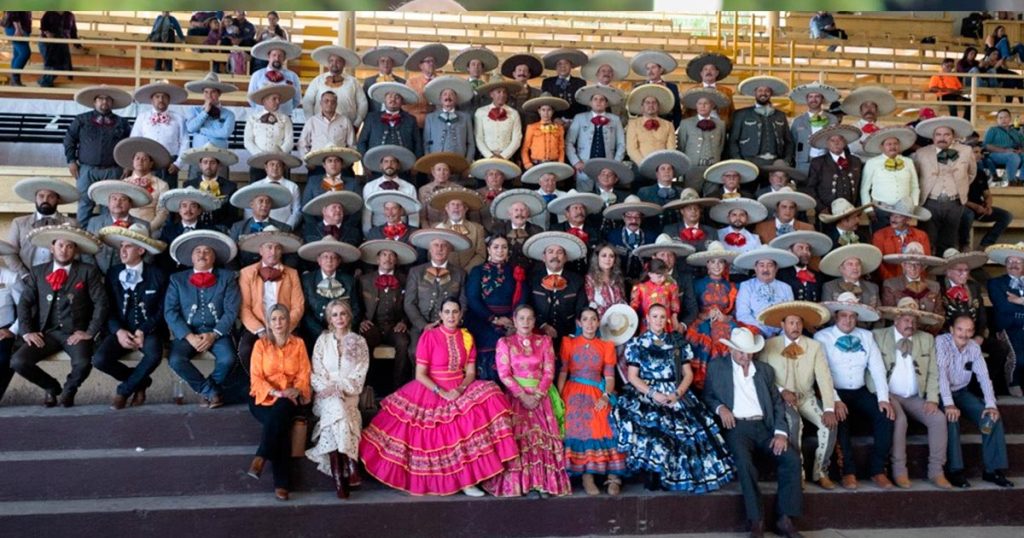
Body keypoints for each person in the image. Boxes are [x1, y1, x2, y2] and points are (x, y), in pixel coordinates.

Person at [359, 298, 519, 496]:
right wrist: (441, 392)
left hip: (459, 386)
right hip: (430, 388)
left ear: (461, 315)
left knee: (491, 395)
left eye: (455, 312)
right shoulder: (430, 336)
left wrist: (460, 390)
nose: (451, 316)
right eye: (447, 312)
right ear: (440, 315)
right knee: (434, 434)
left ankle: (468, 481)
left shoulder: (467, 337)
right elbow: (420, 374)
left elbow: (470, 372)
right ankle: (450, 482)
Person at [616, 304, 734, 493]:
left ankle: (673, 476)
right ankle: (654, 472)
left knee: (688, 432)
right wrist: (654, 394)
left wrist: (676, 394)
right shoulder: (637, 344)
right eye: (655, 316)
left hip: (675, 391)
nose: (658, 321)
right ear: (647, 318)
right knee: (652, 429)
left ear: (668, 320)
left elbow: (687, 374)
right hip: (647, 392)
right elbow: (632, 377)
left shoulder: (677, 343)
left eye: (662, 317)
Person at [703, 327, 803, 538]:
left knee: (792, 459)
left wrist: (781, 433)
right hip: (737, 427)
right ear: (731, 350)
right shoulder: (717, 367)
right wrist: (721, 409)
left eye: (749, 352)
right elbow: (709, 397)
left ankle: (785, 518)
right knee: (744, 462)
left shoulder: (765, 371)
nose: (745, 356)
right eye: (740, 351)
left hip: (764, 428)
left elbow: (777, 404)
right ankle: (756, 520)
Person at [11, 225, 107, 408]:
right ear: (52, 248)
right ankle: (52, 387)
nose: (65, 250)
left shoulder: (88, 271)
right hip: (46, 332)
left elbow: (101, 303)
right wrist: (27, 332)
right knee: (18, 361)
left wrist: (89, 332)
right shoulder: (38, 271)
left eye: (70, 246)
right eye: (61, 245)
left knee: (83, 362)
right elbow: (24, 303)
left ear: (75, 250)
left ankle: (69, 390)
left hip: (76, 332)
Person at [484, 304, 571, 498]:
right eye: (521, 318)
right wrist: (523, 396)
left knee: (540, 440)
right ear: (514, 321)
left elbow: (549, 371)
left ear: (534, 321)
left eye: (529, 318)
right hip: (516, 396)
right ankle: (522, 484)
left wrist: (538, 395)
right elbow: (504, 374)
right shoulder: (505, 343)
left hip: (541, 396)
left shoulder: (544, 341)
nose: (525, 322)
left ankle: (542, 483)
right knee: (520, 440)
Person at [815, 292, 896, 490]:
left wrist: (883, 399)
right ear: (836, 316)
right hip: (834, 392)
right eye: (844, 315)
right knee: (840, 419)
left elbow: (877, 369)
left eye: (852, 316)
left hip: (859, 390)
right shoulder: (822, 337)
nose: (848, 320)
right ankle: (848, 472)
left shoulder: (866, 336)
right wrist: (833, 399)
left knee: (885, 416)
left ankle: (878, 470)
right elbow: (822, 373)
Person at [758, 301, 838, 489]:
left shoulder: (814, 346)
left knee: (830, 424)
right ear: (782, 325)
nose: (795, 327)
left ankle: (821, 471)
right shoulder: (769, 345)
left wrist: (828, 407)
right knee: (794, 423)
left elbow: (824, 378)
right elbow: (761, 376)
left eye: (799, 323)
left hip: (806, 396)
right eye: (791, 323)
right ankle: (797, 472)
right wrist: (781, 391)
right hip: (780, 398)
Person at [873, 298, 951, 489]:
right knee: (900, 421)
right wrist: (882, 395)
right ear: (896, 320)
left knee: (938, 419)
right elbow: (872, 370)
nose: (911, 324)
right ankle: (899, 471)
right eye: (907, 320)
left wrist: (932, 399)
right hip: (890, 393)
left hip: (916, 396)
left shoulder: (926, 339)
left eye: (914, 320)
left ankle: (936, 471)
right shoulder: (878, 335)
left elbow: (934, 372)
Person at [90, 225, 168, 409]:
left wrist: (143, 330)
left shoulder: (157, 274)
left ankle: (123, 391)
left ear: (141, 250)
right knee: (99, 360)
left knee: (154, 353)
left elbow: (161, 310)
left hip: (149, 330)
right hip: (120, 330)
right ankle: (141, 383)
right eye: (121, 246)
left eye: (128, 246)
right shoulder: (113, 273)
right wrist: (118, 331)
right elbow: (106, 308)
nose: (122, 250)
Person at [164, 231, 240, 409]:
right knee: (175, 360)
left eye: (207, 251)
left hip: (218, 333)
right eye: (198, 251)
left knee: (228, 359)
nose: (202, 254)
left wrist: (214, 335)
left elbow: (231, 311)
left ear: (214, 257)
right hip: (188, 333)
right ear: (191, 257)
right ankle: (210, 391)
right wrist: (189, 336)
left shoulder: (228, 278)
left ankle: (208, 391)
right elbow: (170, 312)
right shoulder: (177, 279)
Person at [937, 315, 1014, 489]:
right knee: (951, 418)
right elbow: (940, 375)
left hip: (961, 392)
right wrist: (949, 403)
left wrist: (991, 405)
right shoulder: (941, 343)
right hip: (940, 393)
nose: (964, 334)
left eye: (969, 330)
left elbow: (984, 377)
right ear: (951, 330)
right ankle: (954, 470)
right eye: (960, 329)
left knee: (991, 419)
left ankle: (992, 470)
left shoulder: (973, 347)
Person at [246, 303, 311, 502]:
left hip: (290, 397)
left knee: (281, 411)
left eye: (282, 318)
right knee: (279, 424)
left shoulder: (298, 344)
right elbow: (256, 378)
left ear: (288, 321)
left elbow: (304, 373)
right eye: (273, 319)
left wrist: (297, 389)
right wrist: (275, 392)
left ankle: (261, 458)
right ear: (268, 323)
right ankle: (281, 484)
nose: (278, 322)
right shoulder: (261, 345)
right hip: (263, 398)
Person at [306, 299, 369, 499]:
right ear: (329, 319)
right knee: (338, 410)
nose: (339, 318)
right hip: (325, 395)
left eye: (343, 314)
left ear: (349, 316)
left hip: (350, 394)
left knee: (339, 414)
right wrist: (331, 389)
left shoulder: (359, 341)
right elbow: (316, 373)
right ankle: (351, 464)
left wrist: (341, 387)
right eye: (335, 315)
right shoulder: (322, 341)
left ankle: (338, 480)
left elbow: (360, 374)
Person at [558, 307, 626, 495]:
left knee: (606, 421)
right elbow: (563, 373)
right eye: (585, 319)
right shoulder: (569, 343)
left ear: (598, 323)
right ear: (579, 322)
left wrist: (605, 396)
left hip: (598, 389)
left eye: (593, 319)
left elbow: (610, 378)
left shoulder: (606, 346)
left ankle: (613, 477)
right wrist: (560, 398)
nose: (589, 323)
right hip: (574, 390)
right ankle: (587, 476)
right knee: (577, 422)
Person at [685, 241, 755, 390]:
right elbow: (690, 309)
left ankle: (732, 380)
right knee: (704, 334)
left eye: (721, 262)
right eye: (713, 262)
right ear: (707, 265)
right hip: (702, 321)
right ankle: (705, 383)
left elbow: (736, 312)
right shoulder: (696, 284)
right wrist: (706, 315)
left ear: (725, 265)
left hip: (725, 321)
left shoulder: (732, 286)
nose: (717, 266)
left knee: (736, 334)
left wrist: (724, 318)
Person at [404, 229, 470, 381]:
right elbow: (409, 303)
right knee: (415, 351)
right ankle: (420, 386)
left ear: (449, 250)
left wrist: (451, 323)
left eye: (444, 246)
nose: (439, 249)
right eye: (436, 245)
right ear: (429, 248)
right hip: (422, 326)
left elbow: (464, 302)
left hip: (450, 326)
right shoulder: (416, 272)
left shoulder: (460, 273)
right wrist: (423, 325)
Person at [63, 86, 133, 226]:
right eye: (100, 99)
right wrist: (71, 160)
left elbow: (129, 145)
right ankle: (81, 239)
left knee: (110, 205)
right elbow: (69, 139)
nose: (104, 102)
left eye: (108, 99)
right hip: (86, 169)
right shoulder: (81, 120)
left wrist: (127, 164)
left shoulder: (122, 123)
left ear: (112, 103)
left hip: (113, 169)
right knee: (84, 203)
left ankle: (107, 239)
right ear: (94, 102)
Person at [236, 229, 304, 369]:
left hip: (286, 325)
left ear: (281, 252)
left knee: (293, 352)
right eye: (269, 247)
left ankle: (285, 386)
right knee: (246, 350)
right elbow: (244, 308)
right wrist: (260, 330)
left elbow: (298, 305)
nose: (273, 252)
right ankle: (257, 385)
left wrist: (284, 328)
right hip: (257, 325)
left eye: (277, 248)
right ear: (261, 251)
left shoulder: (292, 273)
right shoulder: (247, 273)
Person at [465, 236, 528, 382]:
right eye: (496, 247)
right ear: (488, 250)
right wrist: (494, 319)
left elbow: (522, 298)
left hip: (510, 320)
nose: (500, 250)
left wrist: (514, 321)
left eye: (504, 247)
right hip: (482, 318)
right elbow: (473, 298)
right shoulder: (478, 270)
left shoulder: (516, 271)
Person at [358, 240, 416, 394]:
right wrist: (361, 321)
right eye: (384, 254)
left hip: (394, 325)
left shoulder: (405, 279)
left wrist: (404, 322)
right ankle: (368, 387)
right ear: (377, 259)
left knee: (403, 342)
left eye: (391, 255)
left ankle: (398, 389)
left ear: (396, 260)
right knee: (363, 341)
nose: (387, 258)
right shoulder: (364, 280)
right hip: (372, 325)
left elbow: (411, 303)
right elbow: (357, 304)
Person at [913, 116, 976, 255]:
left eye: (947, 134)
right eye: (938, 134)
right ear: (933, 136)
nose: (942, 138)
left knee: (949, 242)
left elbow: (971, 174)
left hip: (954, 202)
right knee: (926, 240)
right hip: (929, 202)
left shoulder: (966, 151)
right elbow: (915, 177)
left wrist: (958, 187)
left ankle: (945, 276)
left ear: (953, 136)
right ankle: (926, 273)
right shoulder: (921, 153)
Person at [523, 232, 589, 346]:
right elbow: (527, 305)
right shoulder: (532, 279)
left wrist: (574, 333)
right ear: (543, 257)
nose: (555, 256)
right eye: (550, 252)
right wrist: (542, 325)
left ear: (565, 258)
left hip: (568, 335)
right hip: (537, 334)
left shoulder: (577, 280)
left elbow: (581, 308)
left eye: (559, 252)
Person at [297, 237, 361, 353]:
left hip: (343, 330)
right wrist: (321, 332)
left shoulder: (349, 281)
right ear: (319, 260)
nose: (329, 260)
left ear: (339, 261)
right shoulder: (307, 280)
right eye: (325, 257)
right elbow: (305, 312)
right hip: (315, 332)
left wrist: (343, 330)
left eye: (333, 257)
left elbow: (355, 309)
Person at [4, 178, 78, 276]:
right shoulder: (19, 223)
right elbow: (9, 253)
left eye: (51, 197)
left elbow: (76, 254)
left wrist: (62, 275)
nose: (45, 200)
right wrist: (24, 275)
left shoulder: (71, 223)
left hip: (60, 278)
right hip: (25, 277)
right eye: (41, 196)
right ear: (35, 198)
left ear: (58, 199)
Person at [566, 86, 626, 193]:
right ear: (590, 102)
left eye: (602, 99)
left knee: (606, 194)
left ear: (606, 104)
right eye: (595, 99)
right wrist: (576, 162)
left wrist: (615, 163)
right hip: (584, 164)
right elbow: (569, 142)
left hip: (607, 166)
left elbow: (621, 143)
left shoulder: (615, 120)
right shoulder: (579, 118)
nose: (598, 102)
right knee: (584, 195)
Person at [130, 81, 189, 188]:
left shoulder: (179, 118)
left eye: (164, 97)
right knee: (146, 194)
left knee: (168, 195)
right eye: (157, 96)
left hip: (170, 164)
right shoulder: (142, 117)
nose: (161, 100)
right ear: (152, 99)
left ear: (169, 100)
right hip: (146, 162)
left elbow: (185, 142)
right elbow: (134, 140)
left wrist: (178, 164)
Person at [860, 127, 920, 231]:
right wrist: (868, 210)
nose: (893, 147)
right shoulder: (872, 163)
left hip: (904, 211)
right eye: (889, 144)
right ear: (882, 147)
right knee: (880, 239)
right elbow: (864, 189)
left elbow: (915, 186)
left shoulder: (908, 161)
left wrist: (913, 206)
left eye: (895, 144)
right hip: (880, 210)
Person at [728, 76, 794, 169]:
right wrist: (738, 161)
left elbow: (788, 141)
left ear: (771, 93)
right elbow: (733, 140)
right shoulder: (741, 114)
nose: (763, 93)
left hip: (775, 163)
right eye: (760, 90)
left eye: (767, 91)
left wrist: (787, 160)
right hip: (749, 161)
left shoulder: (780, 115)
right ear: (755, 93)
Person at [985, 242, 1024, 397]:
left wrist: (1019, 301)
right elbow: (1003, 307)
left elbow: (1012, 306)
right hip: (1009, 327)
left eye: (1018, 261)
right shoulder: (995, 283)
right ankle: (1013, 383)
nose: (1013, 265)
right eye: (1009, 261)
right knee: (1019, 358)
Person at [733, 247, 798, 337]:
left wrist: (782, 335)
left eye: (770, 265)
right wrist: (765, 332)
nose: (765, 269)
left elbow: (791, 315)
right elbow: (743, 315)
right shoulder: (746, 286)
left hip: (782, 334)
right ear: (755, 268)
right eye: (761, 265)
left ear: (776, 268)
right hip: (754, 333)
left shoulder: (786, 288)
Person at [804, 125, 864, 217]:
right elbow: (810, 188)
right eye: (832, 140)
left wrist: (858, 208)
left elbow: (860, 186)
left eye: (839, 140)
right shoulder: (817, 162)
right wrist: (821, 208)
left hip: (851, 211)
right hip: (827, 212)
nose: (836, 143)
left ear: (845, 142)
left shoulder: (856, 161)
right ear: (827, 144)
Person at [114, 137, 171, 234]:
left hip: (150, 227)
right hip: (125, 227)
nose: (140, 161)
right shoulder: (123, 183)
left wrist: (148, 229)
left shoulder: (162, 185)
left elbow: (162, 212)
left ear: (151, 164)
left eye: (144, 159)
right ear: (133, 162)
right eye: (137, 158)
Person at [676, 88, 728, 193]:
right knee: (691, 194)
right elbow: (682, 146)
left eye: (706, 103)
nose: (703, 106)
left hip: (713, 167)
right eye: (700, 103)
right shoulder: (686, 123)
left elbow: (721, 145)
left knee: (712, 195)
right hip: (693, 167)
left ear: (712, 106)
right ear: (696, 106)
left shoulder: (720, 124)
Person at [303, 45, 367, 128]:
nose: (334, 64)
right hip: (320, 126)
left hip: (346, 127)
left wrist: (357, 124)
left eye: (338, 61)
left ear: (344, 63)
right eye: (331, 61)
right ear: (328, 63)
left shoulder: (353, 82)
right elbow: (307, 101)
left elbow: (363, 103)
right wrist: (310, 122)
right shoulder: (318, 80)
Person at [880, 242, 945, 322]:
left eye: (917, 264)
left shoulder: (934, 287)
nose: (913, 268)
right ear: (903, 265)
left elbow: (939, 316)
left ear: (923, 267)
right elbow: (889, 314)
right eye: (909, 264)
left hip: (928, 332)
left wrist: (928, 331)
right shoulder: (891, 285)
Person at [871, 200, 933, 281]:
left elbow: (925, 263)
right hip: (889, 283)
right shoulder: (879, 236)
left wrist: (914, 280)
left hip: (915, 282)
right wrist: (892, 282)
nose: (893, 219)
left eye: (899, 216)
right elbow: (878, 264)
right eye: (892, 215)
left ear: (908, 219)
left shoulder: (921, 236)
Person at [243, 86, 296, 181]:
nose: (277, 102)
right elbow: (248, 141)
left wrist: (278, 156)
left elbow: (289, 140)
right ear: (265, 101)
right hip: (258, 162)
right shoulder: (253, 119)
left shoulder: (285, 119)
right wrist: (261, 157)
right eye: (274, 99)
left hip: (279, 163)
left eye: (278, 99)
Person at [358, 82, 424, 158]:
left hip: (405, 166)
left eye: (397, 97)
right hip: (375, 165)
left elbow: (418, 144)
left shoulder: (410, 120)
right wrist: (365, 164)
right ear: (384, 99)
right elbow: (362, 143)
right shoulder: (371, 118)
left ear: (402, 101)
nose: (393, 99)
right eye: (390, 96)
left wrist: (414, 166)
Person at [603, 194, 660, 281]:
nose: (633, 220)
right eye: (629, 216)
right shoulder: (613, 236)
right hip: (619, 282)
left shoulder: (652, 237)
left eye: (637, 216)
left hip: (646, 283)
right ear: (623, 217)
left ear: (642, 218)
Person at [431, 187, 487, 271]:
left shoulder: (477, 228)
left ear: (465, 209)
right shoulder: (437, 228)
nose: (456, 207)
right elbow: (431, 254)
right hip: (445, 272)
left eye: (459, 205)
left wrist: (466, 271)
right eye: (452, 204)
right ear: (447, 208)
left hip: (469, 273)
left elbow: (481, 255)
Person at [789, 82, 840, 172]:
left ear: (822, 99)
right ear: (807, 99)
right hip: (803, 164)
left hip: (826, 163)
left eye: (817, 96)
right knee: (803, 186)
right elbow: (792, 143)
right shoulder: (798, 121)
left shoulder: (832, 119)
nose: (814, 99)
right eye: (811, 97)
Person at [423, 76, 476, 160]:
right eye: (445, 94)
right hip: (436, 160)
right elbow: (426, 143)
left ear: (456, 99)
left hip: (459, 160)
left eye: (451, 94)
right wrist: (429, 162)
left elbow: (471, 143)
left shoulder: (465, 117)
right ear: (440, 99)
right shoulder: (430, 118)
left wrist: (467, 162)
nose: (448, 97)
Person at [636, 150, 691, 230]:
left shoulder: (682, 192)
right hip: (652, 233)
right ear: (657, 174)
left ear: (673, 173)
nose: (667, 171)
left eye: (669, 169)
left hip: (676, 234)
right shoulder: (645, 192)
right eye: (663, 169)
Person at [770, 231, 831, 303]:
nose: (805, 252)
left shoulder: (818, 276)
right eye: (800, 248)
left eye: (807, 249)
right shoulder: (780, 274)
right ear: (790, 251)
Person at [246, 37, 302, 115]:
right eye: (274, 55)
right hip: (262, 117)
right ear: (268, 57)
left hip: (285, 118)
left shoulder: (293, 76)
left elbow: (297, 99)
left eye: (280, 56)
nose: (277, 58)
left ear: (284, 58)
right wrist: (262, 110)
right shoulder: (257, 75)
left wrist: (285, 110)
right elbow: (251, 99)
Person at [184, 73, 238, 151]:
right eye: (206, 92)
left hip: (219, 155)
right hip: (198, 155)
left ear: (219, 94)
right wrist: (205, 112)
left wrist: (202, 130)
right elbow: (191, 128)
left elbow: (224, 133)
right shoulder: (194, 110)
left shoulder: (229, 114)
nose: (209, 95)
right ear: (203, 93)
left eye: (213, 92)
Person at [625, 85, 677, 164]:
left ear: (658, 106)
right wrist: (644, 164)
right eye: (647, 103)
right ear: (642, 107)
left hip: (662, 166)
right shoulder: (633, 124)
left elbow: (671, 148)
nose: (651, 105)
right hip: (640, 165)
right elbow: (631, 149)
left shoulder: (668, 125)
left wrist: (663, 165)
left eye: (654, 103)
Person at [819, 243, 883, 308]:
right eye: (850, 264)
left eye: (858, 264)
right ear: (841, 269)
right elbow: (827, 313)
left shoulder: (872, 288)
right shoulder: (830, 287)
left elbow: (879, 314)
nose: (855, 267)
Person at [842, 86, 897, 159]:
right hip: (858, 162)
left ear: (877, 111)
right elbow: (853, 148)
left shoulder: (884, 129)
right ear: (860, 111)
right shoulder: (853, 128)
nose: (869, 109)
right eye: (865, 106)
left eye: (872, 106)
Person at [631, 50, 682, 128]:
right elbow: (633, 111)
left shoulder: (672, 87)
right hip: (643, 127)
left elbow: (677, 111)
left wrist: (672, 128)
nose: (650, 71)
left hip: (665, 126)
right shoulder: (638, 87)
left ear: (661, 70)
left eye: (653, 67)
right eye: (648, 69)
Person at [402, 43, 449, 129]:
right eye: (428, 61)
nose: (431, 64)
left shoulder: (443, 82)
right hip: (418, 124)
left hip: (440, 124)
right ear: (421, 66)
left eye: (433, 61)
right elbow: (406, 107)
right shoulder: (411, 82)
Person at [298, 91, 356, 160]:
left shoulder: (345, 121)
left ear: (336, 104)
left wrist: (347, 162)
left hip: (339, 163)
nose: (329, 104)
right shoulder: (312, 121)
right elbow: (302, 144)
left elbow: (352, 145)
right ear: (321, 103)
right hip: (316, 164)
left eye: (333, 101)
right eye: (326, 101)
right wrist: (307, 163)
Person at [474, 82, 523, 161]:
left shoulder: (514, 113)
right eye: (498, 92)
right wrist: (489, 156)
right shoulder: (480, 112)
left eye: (504, 92)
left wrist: (504, 156)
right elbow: (478, 137)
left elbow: (517, 138)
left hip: (507, 158)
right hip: (486, 157)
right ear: (491, 94)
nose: (502, 95)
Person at [631, 258, 681, 333]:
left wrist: (674, 317)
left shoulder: (671, 287)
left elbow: (674, 304)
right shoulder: (640, 288)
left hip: (666, 323)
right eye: (659, 276)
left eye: (665, 275)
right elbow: (634, 307)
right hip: (647, 323)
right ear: (650, 274)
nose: (663, 278)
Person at [683, 53, 735, 124]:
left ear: (717, 73)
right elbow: (686, 113)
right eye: (705, 69)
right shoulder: (692, 91)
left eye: (712, 69)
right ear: (701, 73)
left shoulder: (727, 92)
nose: (708, 72)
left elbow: (731, 113)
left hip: (720, 126)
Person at [541, 48, 589, 121]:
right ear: (555, 67)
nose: (562, 66)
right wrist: (555, 118)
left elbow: (582, 105)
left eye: (566, 63)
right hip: (553, 121)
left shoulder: (580, 82)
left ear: (571, 66)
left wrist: (574, 120)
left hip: (574, 120)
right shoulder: (547, 82)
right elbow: (545, 103)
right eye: (559, 64)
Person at [521, 95, 568, 169]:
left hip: (554, 163)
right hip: (536, 164)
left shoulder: (559, 128)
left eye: (549, 110)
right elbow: (525, 148)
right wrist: (527, 163)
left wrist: (561, 162)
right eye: (543, 110)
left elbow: (561, 148)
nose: (546, 113)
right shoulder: (532, 127)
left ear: (553, 111)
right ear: (539, 111)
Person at [361, 45, 408, 113]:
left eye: (389, 61)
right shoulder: (369, 82)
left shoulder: (402, 82)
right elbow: (365, 103)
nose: (386, 63)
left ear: (393, 64)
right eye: (382, 61)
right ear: (378, 63)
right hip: (374, 118)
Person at [585, 244, 627, 319]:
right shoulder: (589, 279)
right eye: (604, 255)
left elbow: (622, 301)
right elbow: (590, 305)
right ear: (597, 258)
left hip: (618, 322)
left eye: (611, 256)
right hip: (599, 322)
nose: (608, 259)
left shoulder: (618, 278)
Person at [983, 109, 1024, 186]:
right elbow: (986, 145)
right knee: (1013, 156)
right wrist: (1005, 150)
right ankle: (1012, 181)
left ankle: (1021, 180)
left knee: (1016, 155)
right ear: (997, 120)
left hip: (1014, 153)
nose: (1003, 120)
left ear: (1010, 119)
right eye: (1000, 118)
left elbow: (1022, 144)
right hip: (995, 154)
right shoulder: (992, 130)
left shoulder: (1015, 132)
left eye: (1005, 117)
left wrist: (1021, 150)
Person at [38, 11, 78, 88]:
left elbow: (73, 31)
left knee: (60, 65)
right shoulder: (49, 13)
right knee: (51, 64)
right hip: (47, 43)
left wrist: (77, 44)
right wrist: (48, 35)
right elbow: (43, 26)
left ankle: (44, 81)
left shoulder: (70, 15)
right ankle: (45, 83)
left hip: (61, 44)